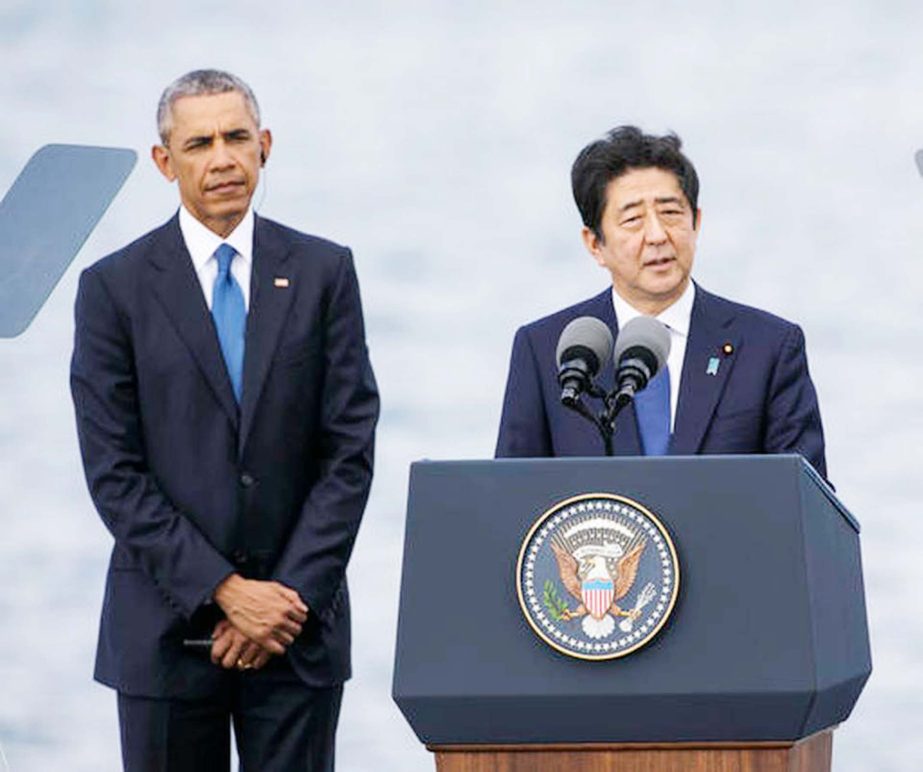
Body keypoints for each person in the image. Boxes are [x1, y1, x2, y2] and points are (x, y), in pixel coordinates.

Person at [70, 69, 379, 771]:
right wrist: (226, 593)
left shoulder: (324, 272)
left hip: (297, 632)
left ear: (264, 146)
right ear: (164, 161)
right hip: (165, 633)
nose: (221, 159)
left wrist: (285, 601)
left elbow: (349, 451)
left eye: (237, 138)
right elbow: (115, 475)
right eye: (199, 142)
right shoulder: (113, 290)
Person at [495, 126, 826, 478]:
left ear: (696, 222)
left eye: (670, 213)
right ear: (595, 244)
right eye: (633, 220)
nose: (656, 236)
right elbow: (510, 502)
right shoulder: (548, 349)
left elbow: (807, 505)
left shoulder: (768, 347)